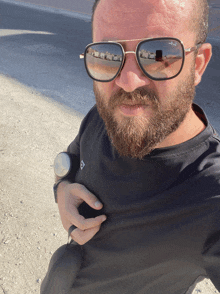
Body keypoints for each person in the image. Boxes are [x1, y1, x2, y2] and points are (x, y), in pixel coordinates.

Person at [53, 0, 220, 293]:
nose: (128, 82)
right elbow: (71, 158)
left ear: (199, 64)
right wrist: (62, 190)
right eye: (107, 55)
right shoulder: (103, 117)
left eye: (159, 55)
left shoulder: (211, 192)